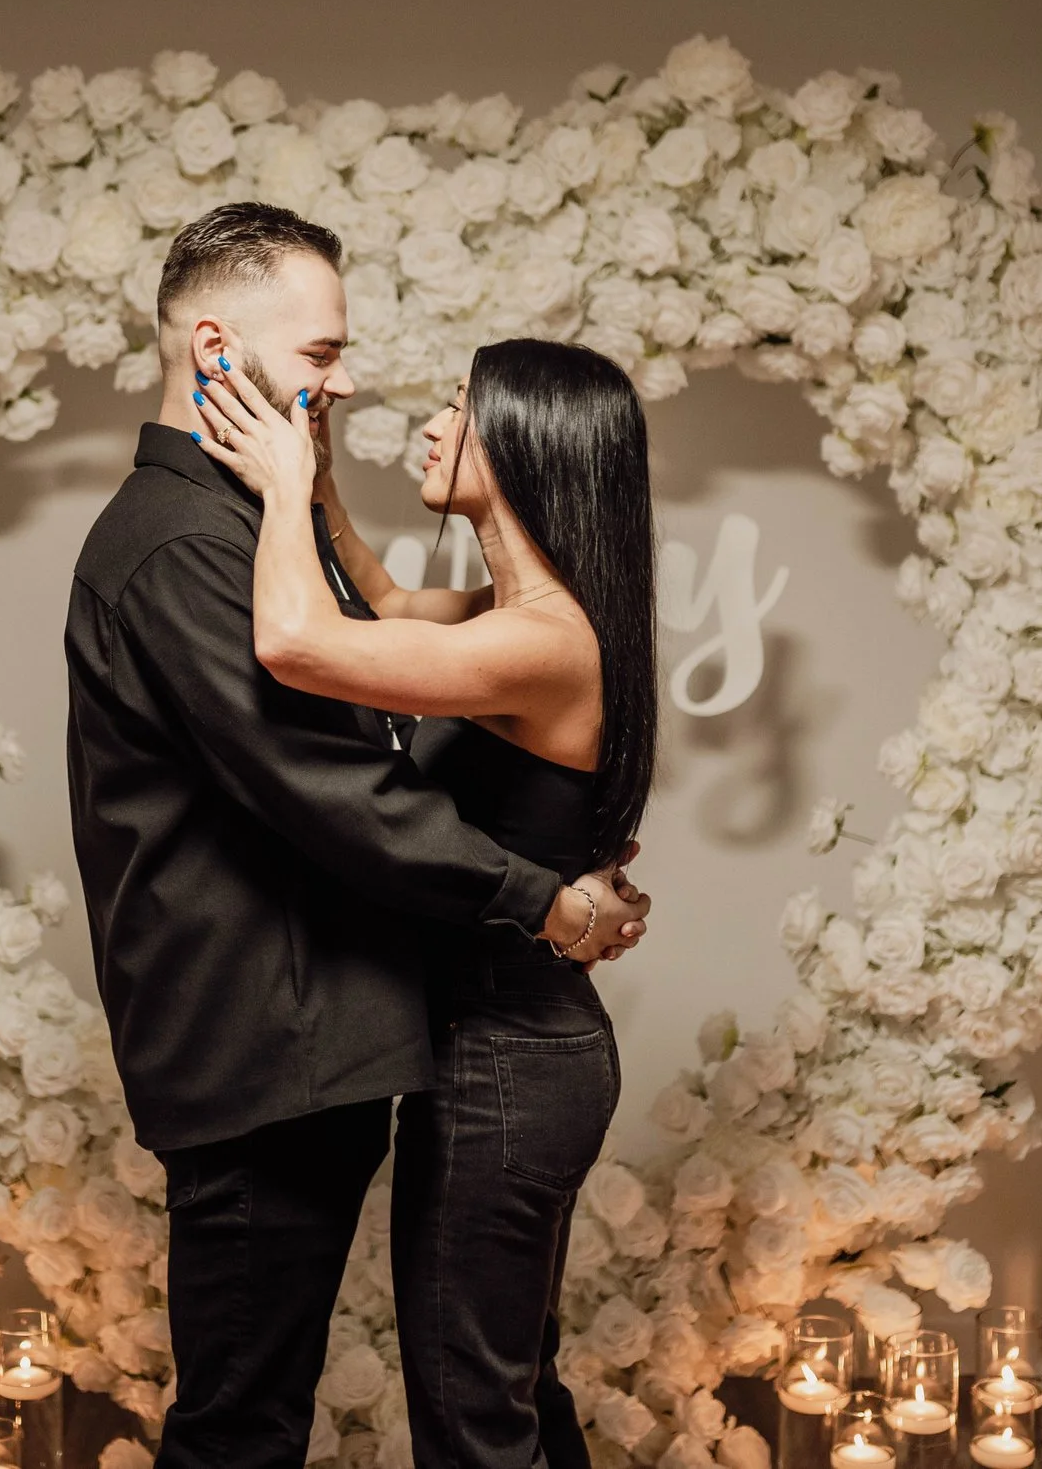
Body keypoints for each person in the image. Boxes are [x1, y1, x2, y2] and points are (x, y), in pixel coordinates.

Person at [63, 204, 650, 1469]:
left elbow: (350, 679)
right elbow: (325, 777)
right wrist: (545, 894)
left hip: (367, 1049)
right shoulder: (185, 544)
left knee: (468, 1402)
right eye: (321, 354)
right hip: (260, 1057)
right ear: (214, 347)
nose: (347, 381)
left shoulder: (246, 535)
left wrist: (295, 483)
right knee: (254, 1426)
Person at [193, 336, 655, 1469]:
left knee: (471, 1416)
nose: (435, 422)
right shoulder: (522, 614)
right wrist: (326, 480)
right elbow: (388, 597)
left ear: (527, 444)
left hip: (509, 1059)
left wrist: (284, 490)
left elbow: (299, 642)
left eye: (461, 405)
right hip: (513, 1051)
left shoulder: (542, 643)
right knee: (507, 1393)